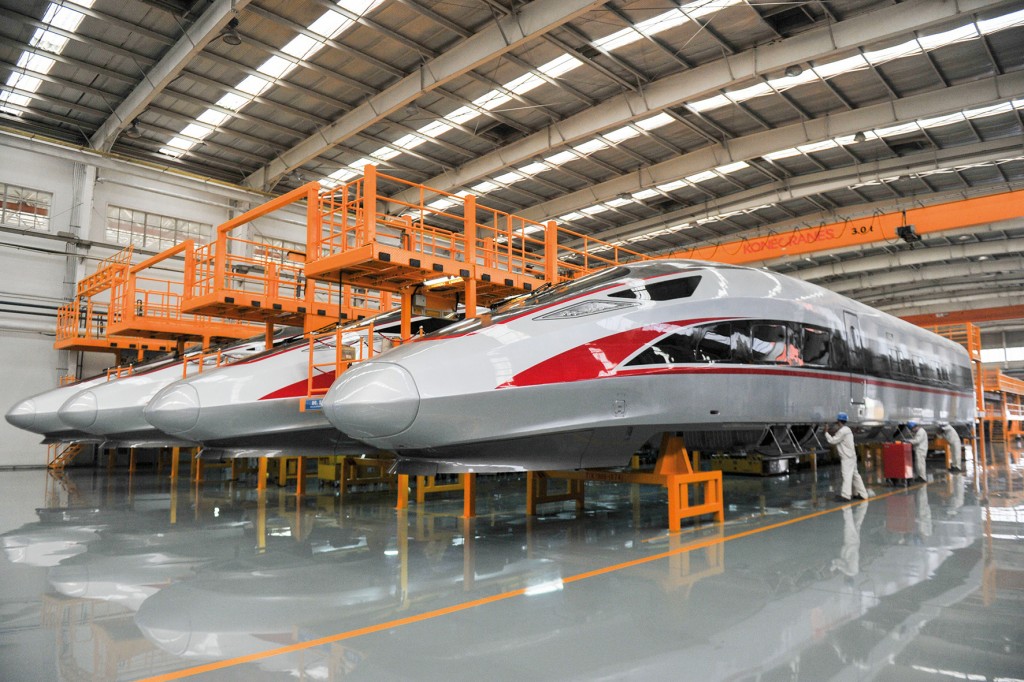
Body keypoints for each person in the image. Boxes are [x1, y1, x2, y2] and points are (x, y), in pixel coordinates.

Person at [825, 412, 867, 502]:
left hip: (847, 458)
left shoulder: (843, 431)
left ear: (838, 422)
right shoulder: (847, 430)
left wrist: (826, 433)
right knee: (856, 476)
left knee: (847, 475)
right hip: (851, 456)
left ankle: (846, 496)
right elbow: (839, 436)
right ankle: (863, 494)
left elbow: (833, 441)